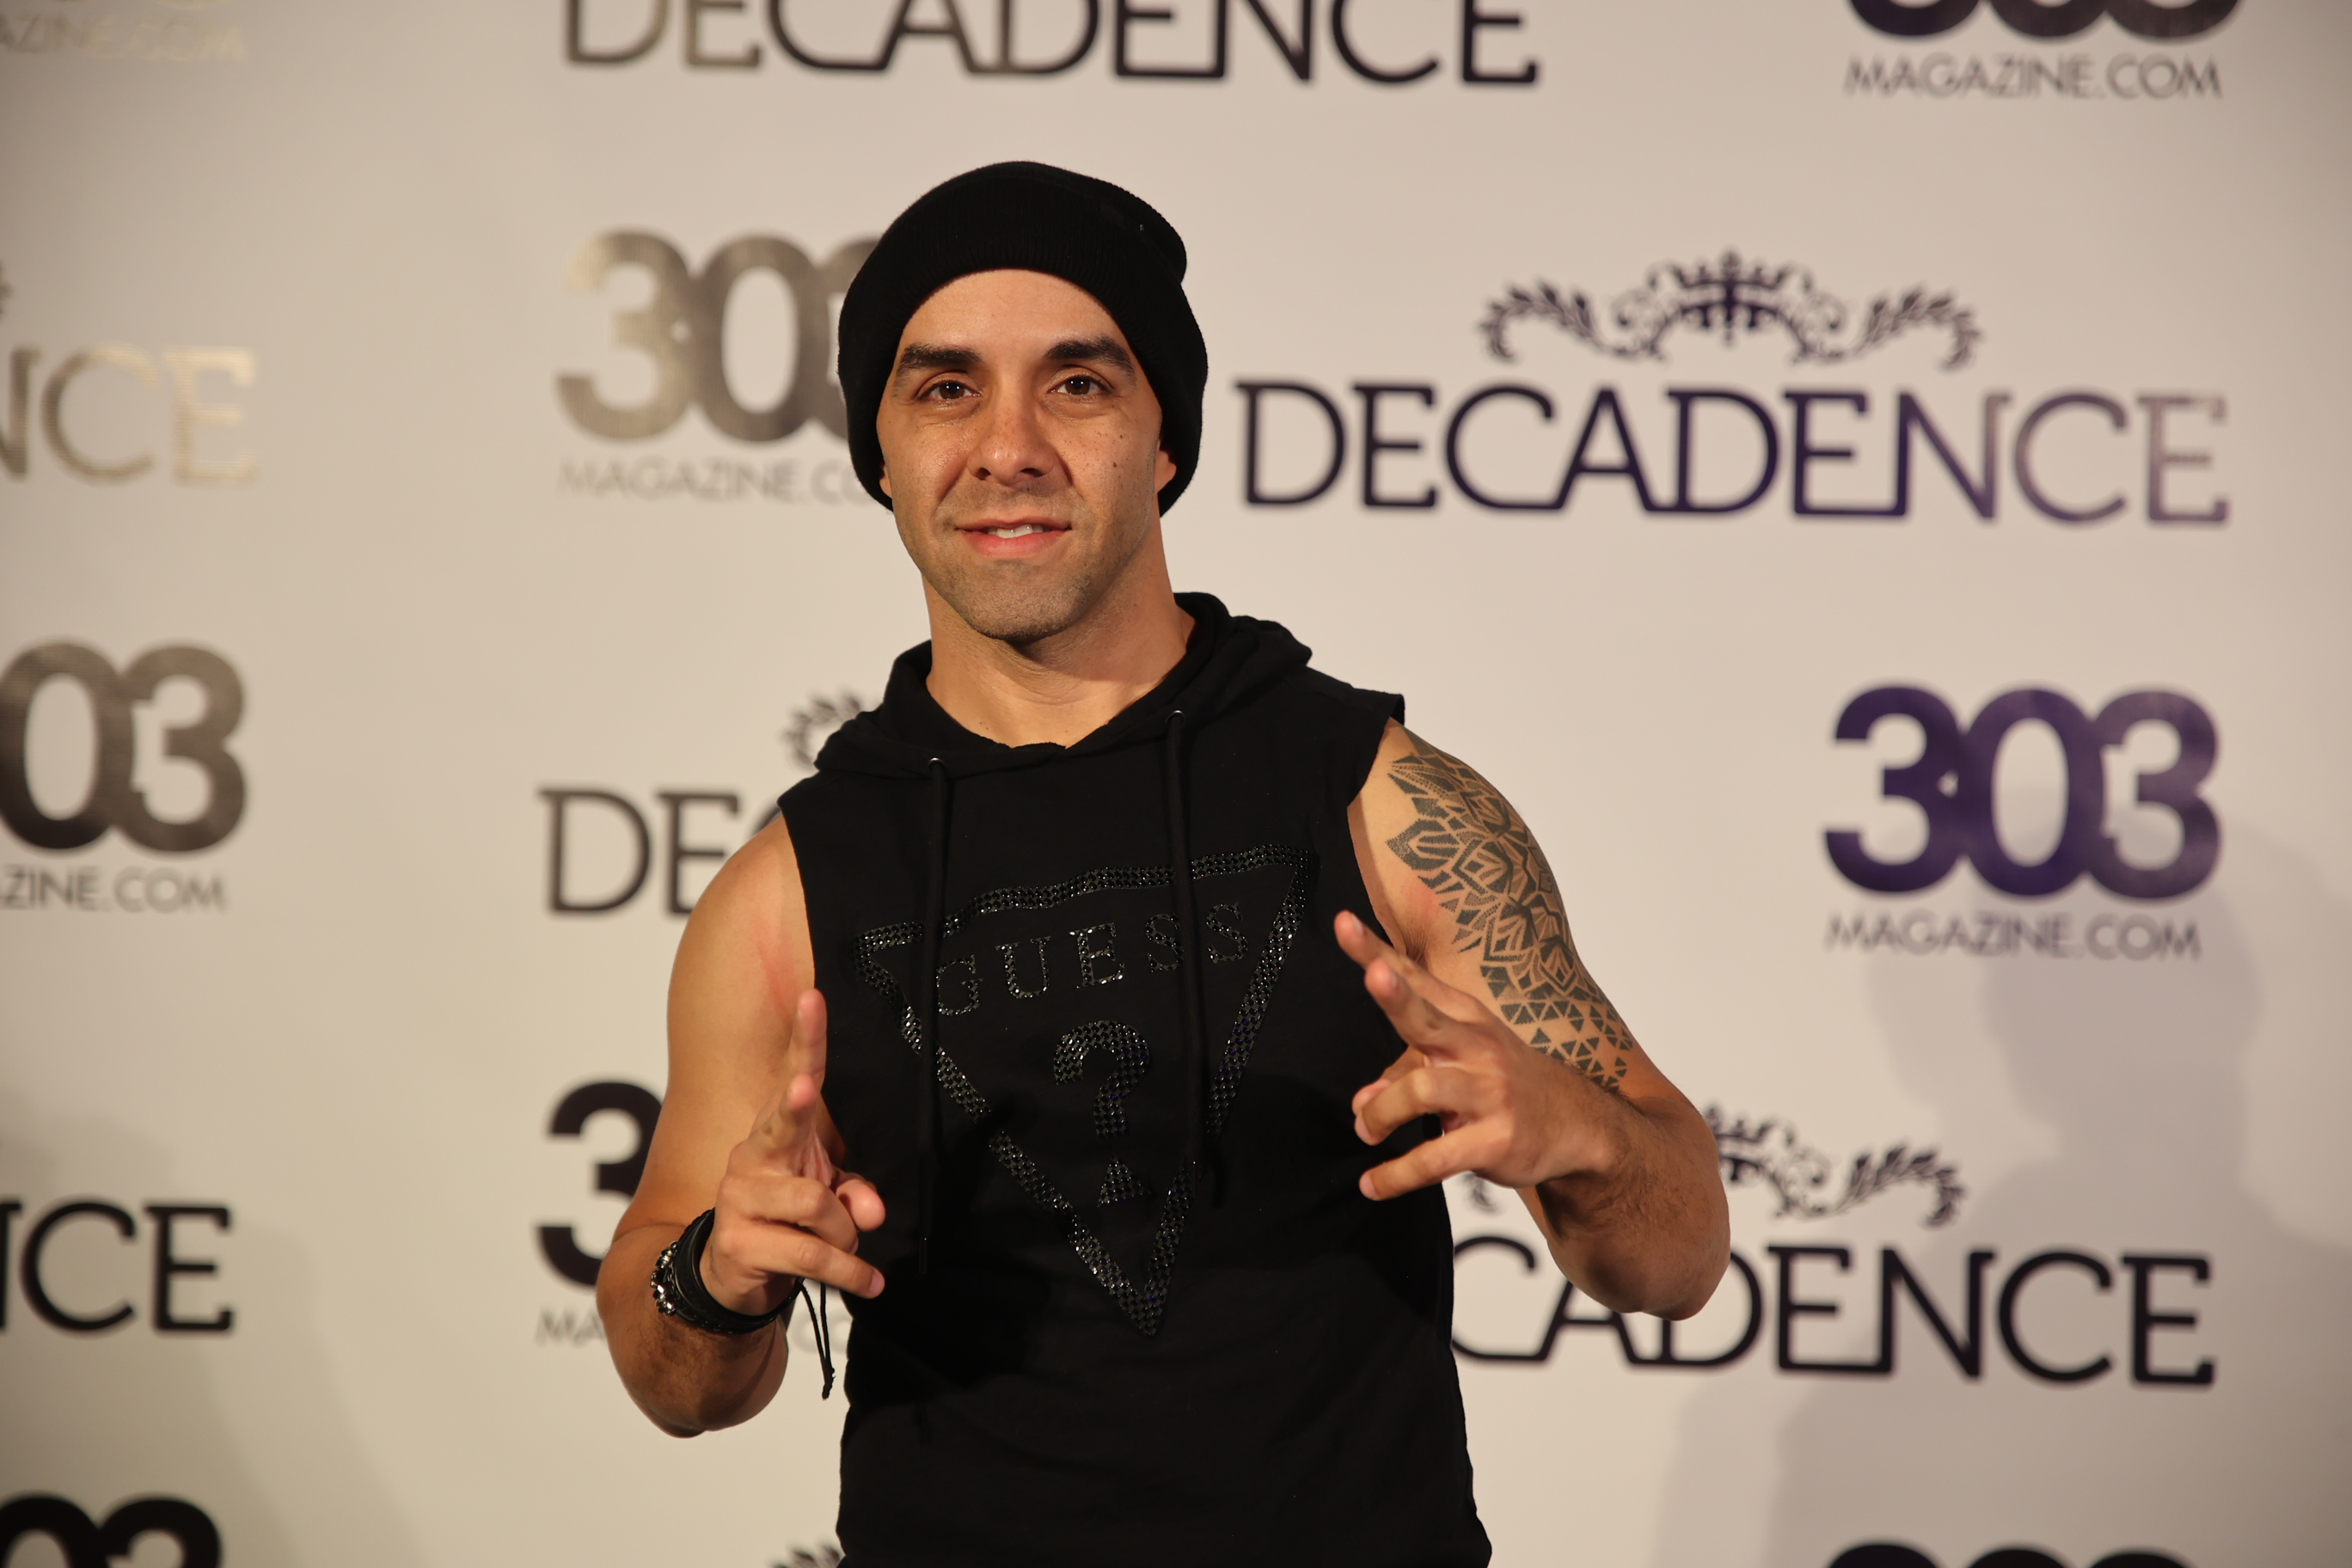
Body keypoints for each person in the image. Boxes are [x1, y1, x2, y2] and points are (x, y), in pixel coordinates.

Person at [597, 161, 1730, 1566]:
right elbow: (676, 1384)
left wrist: (1582, 1133)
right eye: (946, 389)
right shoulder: (790, 894)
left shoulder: (1385, 805)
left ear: (1166, 440)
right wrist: (714, 1277)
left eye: (1077, 384)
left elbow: (1678, 1258)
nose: (1008, 447)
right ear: (878, 451)